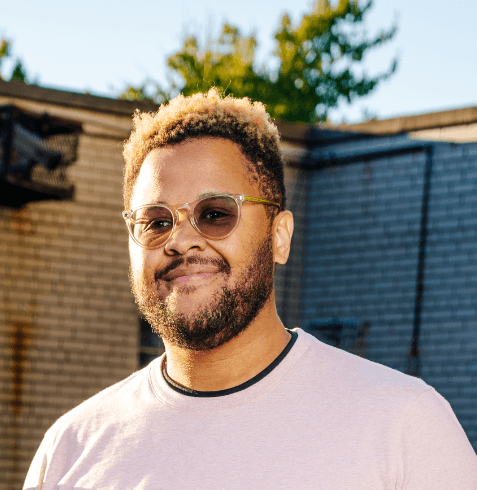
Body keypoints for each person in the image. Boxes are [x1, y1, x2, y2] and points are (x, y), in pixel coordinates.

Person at [24, 89, 477, 489]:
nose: (180, 240)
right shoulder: (70, 449)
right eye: (156, 221)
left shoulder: (405, 426)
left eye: (216, 213)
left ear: (278, 236)